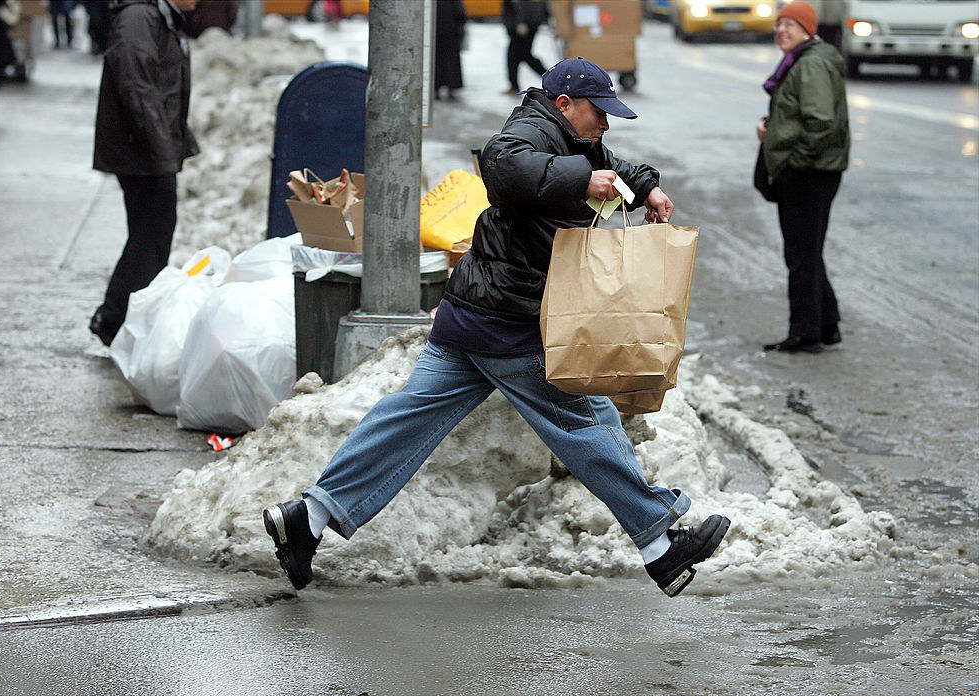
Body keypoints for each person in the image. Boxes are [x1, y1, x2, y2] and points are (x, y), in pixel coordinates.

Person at [263, 57, 731, 599]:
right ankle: (659, 544)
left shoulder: (571, 139)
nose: (606, 123)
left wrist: (643, 185)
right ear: (564, 104)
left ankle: (309, 516)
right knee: (583, 421)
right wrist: (586, 179)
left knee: (410, 416)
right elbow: (504, 169)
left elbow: (606, 161)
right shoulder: (527, 132)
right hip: (509, 320)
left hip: (473, 316)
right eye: (598, 112)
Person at [89, 0, 199, 347]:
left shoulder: (159, 17)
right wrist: (161, 147)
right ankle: (118, 320)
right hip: (141, 150)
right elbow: (136, 86)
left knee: (150, 234)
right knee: (150, 236)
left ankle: (118, 316)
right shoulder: (140, 17)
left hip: (148, 146)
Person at [757, 0, 849, 354]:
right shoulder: (804, 60)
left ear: (808, 30)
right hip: (812, 171)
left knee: (801, 254)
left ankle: (805, 333)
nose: (782, 30)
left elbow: (820, 122)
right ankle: (826, 325)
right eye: (779, 24)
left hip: (809, 173)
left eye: (791, 25)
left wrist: (795, 159)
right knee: (807, 251)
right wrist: (773, 130)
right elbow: (800, 115)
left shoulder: (810, 65)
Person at [502, 0, 547, 94]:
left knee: (518, 56)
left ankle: (550, 77)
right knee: (523, 55)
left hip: (525, 26)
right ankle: (549, 77)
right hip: (524, 25)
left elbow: (522, 5)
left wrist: (521, 22)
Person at [434, 0, 466, 101]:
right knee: (451, 61)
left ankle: (436, 87)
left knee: (436, 60)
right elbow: (460, 13)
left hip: (435, 32)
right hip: (451, 31)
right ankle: (452, 86)